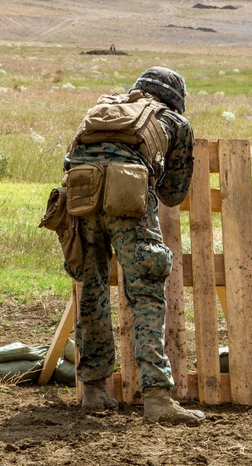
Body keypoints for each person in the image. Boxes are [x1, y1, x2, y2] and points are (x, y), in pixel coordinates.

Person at [62, 67, 203, 425]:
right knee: (146, 292)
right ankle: (156, 397)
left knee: (91, 290)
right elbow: (174, 192)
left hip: (80, 198)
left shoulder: (104, 108)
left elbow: (69, 159)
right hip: (128, 200)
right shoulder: (174, 122)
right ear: (174, 98)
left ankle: (93, 390)